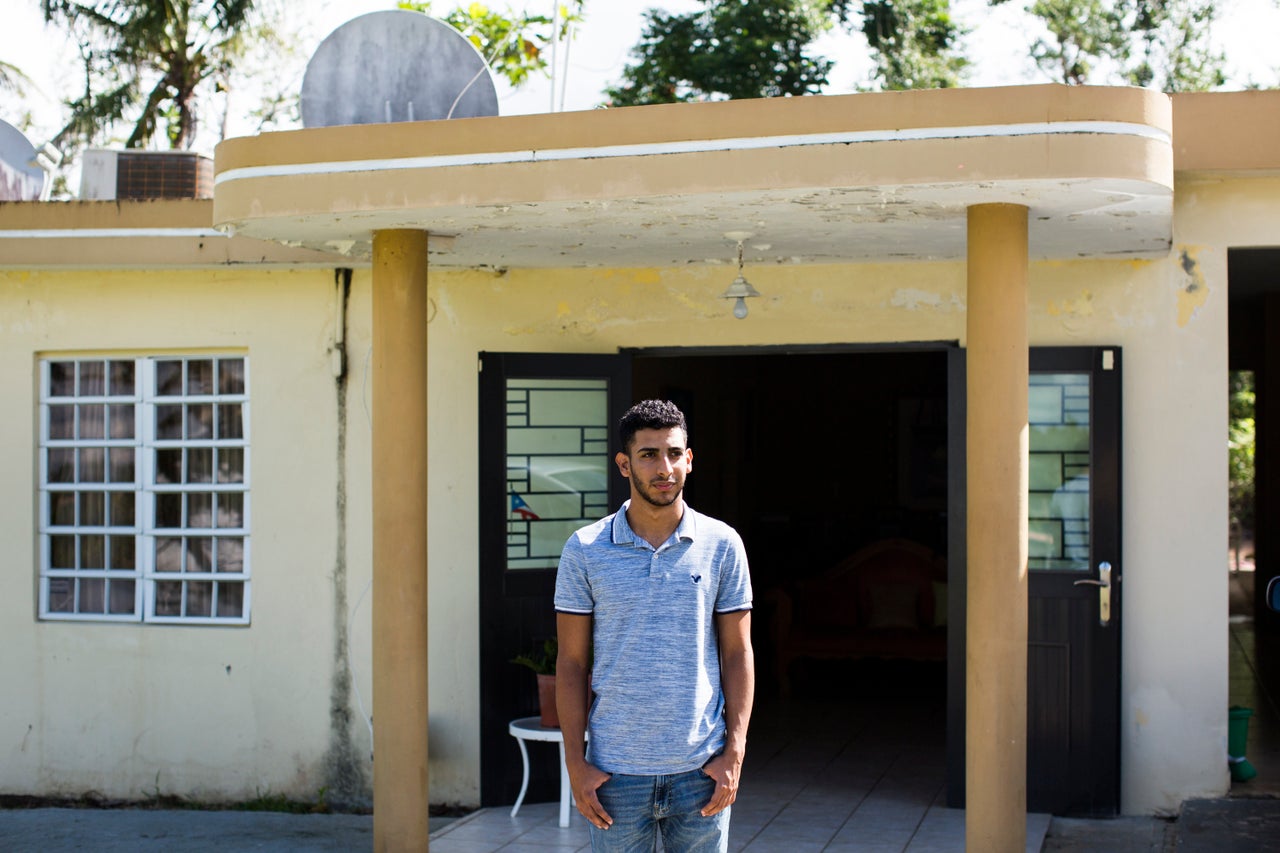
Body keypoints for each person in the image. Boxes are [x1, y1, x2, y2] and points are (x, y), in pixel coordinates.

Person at [554, 399, 754, 852]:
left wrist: (734, 752)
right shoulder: (585, 550)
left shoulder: (722, 544)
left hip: (701, 772)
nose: (663, 468)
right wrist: (575, 764)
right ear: (625, 465)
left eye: (673, 453)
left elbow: (739, 653)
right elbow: (570, 663)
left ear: (689, 459)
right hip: (615, 776)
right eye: (648, 455)